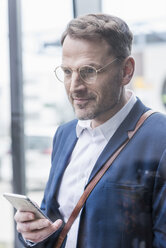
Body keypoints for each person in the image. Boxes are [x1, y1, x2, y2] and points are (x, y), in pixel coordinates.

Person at [14, 13, 166, 248]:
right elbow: (54, 221)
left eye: (89, 71)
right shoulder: (64, 134)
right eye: (67, 72)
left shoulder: (160, 139)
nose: (75, 86)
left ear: (126, 71)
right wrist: (33, 235)